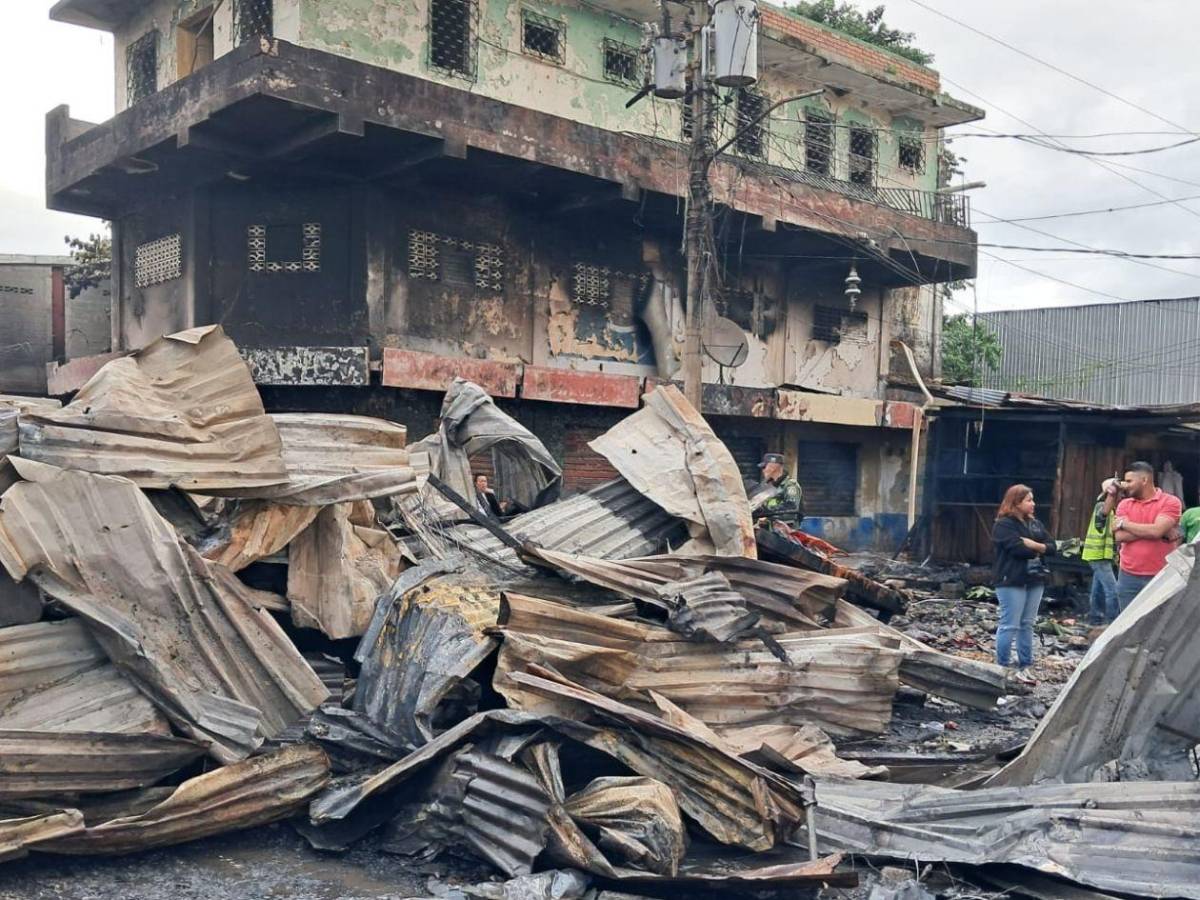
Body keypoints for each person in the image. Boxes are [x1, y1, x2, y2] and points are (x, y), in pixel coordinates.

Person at [992, 484, 1057, 682]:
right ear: (1016, 503)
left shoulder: (1035, 524)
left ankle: (1025, 664)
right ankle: (1002, 667)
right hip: (1011, 580)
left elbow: (1053, 546)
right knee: (1009, 625)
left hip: (1035, 579)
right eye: (1028, 500)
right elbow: (1018, 549)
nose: (1033, 503)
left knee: (1027, 624)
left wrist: (1033, 544)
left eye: (1032, 499)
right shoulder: (1004, 525)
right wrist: (1038, 548)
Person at [1113, 461, 1182, 612]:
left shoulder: (1170, 502)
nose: (1125, 485)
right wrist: (1157, 530)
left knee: (1157, 627)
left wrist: (1124, 523)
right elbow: (1119, 537)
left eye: (1130, 481)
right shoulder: (1124, 504)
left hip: (1161, 576)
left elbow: (1155, 531)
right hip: (1128, 577)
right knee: (1126, 626)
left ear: (1144, 480)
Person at [1082, 477, 1119, 626]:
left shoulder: (1114, 509)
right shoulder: (1102, 506)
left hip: (1102, 555)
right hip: (1098, 555)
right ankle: (1113, 623)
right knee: (1113, 591)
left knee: (1097, 590)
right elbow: (1102, 517)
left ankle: (1095, 619)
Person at [751, 453, 804, 528]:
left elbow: (791, 507)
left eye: (764, 467)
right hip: (768, 530)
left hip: (785, 532)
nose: (763, 471)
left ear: (773, 467)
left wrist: (767, 514)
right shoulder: (767, 487)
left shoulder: (790, 485)